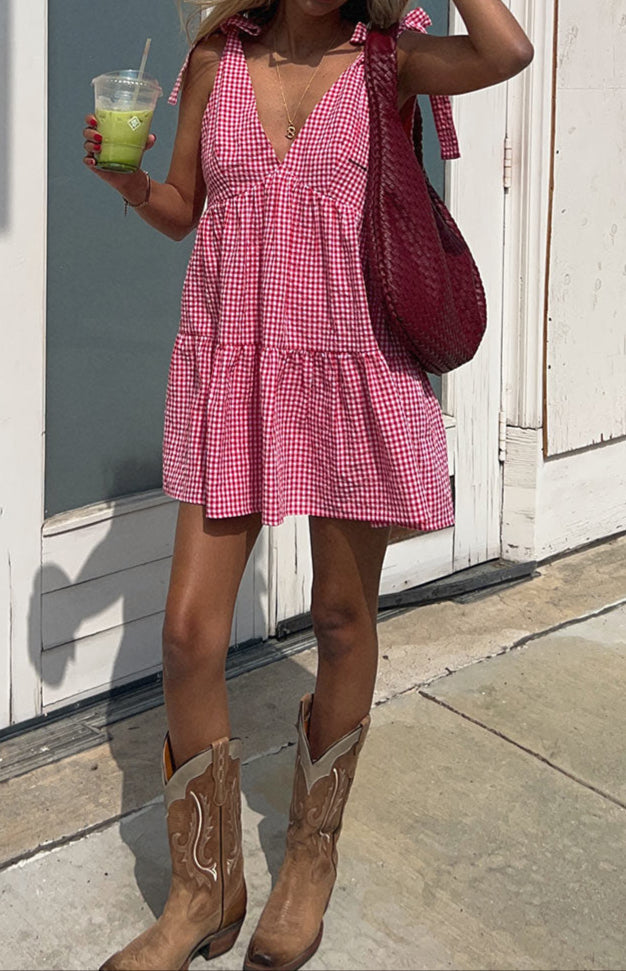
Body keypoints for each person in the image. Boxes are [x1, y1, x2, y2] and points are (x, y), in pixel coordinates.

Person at [84, 0, 532, 968]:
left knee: (339, 616)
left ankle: (308, 857)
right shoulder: (216, 58)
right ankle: (205, 887)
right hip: (234, 364)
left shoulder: (390, 60)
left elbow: (508, 51)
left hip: (351, 363)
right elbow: (182, 211)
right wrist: (130, 183)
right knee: (187, 634)